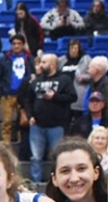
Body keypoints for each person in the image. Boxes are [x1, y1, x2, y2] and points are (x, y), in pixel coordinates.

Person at [25, 54, 76, 183]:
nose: (41, 65)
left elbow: (72, 97)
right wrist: (30, 116)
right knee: (36, 157)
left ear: (53, 64)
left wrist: (55, 97)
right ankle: (35, 184)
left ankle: (57, 182)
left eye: (44, 62)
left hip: (57, 125)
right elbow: (28, 100)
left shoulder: (64, 79)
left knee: (57, 156)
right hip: (37, 125)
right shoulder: (36, 81)